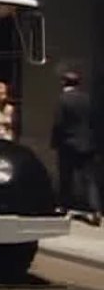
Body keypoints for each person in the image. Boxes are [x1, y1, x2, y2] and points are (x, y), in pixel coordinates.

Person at [51, 71, 101, 225]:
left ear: (64, 83)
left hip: (68, 145)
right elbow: (95, 121)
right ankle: (96, 210)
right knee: (89, 180)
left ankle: (64, 207)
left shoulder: (62, 100)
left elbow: (58, 124)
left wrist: (54, 142)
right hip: (87, 145)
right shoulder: (88, 99)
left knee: (66, 177)